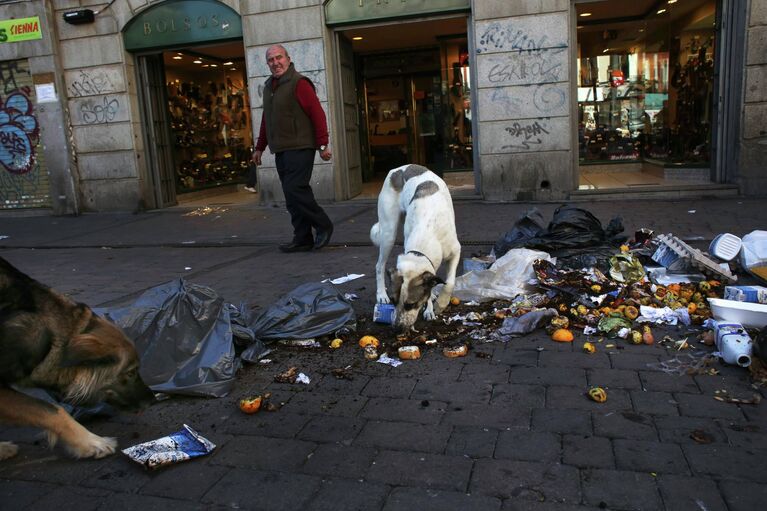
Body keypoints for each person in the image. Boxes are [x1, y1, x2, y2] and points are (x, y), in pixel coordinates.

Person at [251, 44, 333, 252]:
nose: (275, 62)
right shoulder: (270, 86)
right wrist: (259, 147)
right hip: (282, 149)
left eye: (279, 58)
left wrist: (323, 144)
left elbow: (317, 114)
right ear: (267, 63)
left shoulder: (299, 83)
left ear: (288, 59)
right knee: (290, 196)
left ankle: (323, 225)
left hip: (301, 146)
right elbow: (266, 121)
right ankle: (302, 237)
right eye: (271, 60)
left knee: (295, 189)